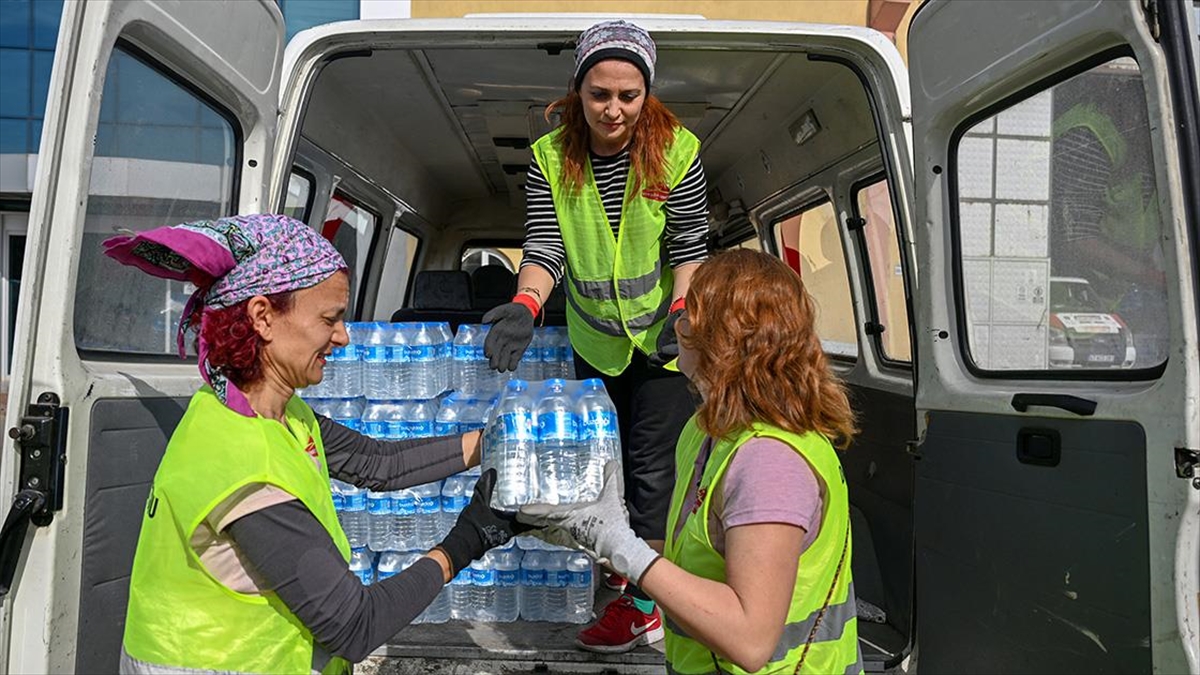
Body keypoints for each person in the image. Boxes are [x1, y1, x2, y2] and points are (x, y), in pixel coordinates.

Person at [104, 214, 524, 674]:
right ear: (263, 316)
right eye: (331, 319)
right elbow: (354, 625)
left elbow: (377, 463)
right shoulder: (242, 466)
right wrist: (469, 539)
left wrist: (497, 441)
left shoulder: (262, 410)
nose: (343, 336)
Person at [519, 249, 864, 674]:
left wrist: (621, 547)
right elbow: (682, 561)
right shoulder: (704, 431)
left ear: (720, 339)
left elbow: (750, 639)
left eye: (687, 315)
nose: (677, 326)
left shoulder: (769, 463)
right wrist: (583, 531)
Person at [482, 19, 709, 652]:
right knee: (601, 468)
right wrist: (527, 303)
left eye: (628, 96)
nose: (614, 110)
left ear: (647, 94)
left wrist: (685, 312)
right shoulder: (551, 157)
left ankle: (645, 606)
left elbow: (691, 246)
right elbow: (546, 244)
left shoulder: (678, 152)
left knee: (653, 476)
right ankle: (620, 573)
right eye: (599, 94)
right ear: (577, 92)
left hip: (663, 343)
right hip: (596, 343)